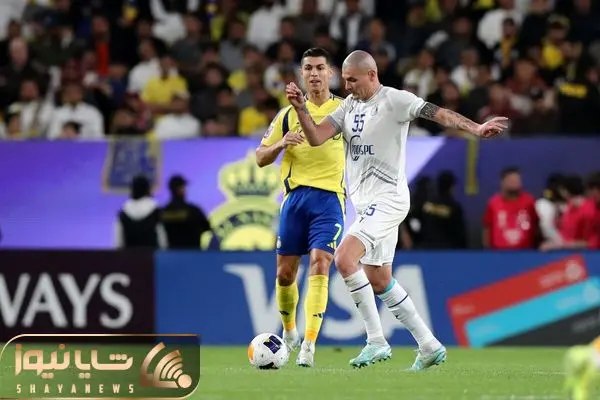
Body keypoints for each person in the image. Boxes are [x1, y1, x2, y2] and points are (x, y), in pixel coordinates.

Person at [285, 50, 508, 370]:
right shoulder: (348, 106)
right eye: (344, 80)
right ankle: (429, 345)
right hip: (365, 204)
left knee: (345, 258)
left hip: (388, 198)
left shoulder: (395, 100)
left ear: (372, 75)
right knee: (378, 278)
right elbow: (317, 138)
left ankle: (375, 340)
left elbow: (438, 113)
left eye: (352, 80)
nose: (346, 87)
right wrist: (301, 109)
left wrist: (475, 128)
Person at [255, 47, 346, 368]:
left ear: (330, 73)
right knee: (284, 274)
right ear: (302, 74)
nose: (314, 73)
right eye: (308, 68)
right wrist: (282, 143)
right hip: (294, 200)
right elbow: (260, 157)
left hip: (330, 200)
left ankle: (309, 343)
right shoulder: (286, 115)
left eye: (320, 67)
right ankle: (290, 331)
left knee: (321, 263)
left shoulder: (346, 110)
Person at [160, 175, 212, 249]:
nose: (185, 190)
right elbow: (207, 227)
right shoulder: (193, 211)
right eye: (183, 187)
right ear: (179, 189)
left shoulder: (163, 212)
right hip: (192, 253)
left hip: (171, 254)